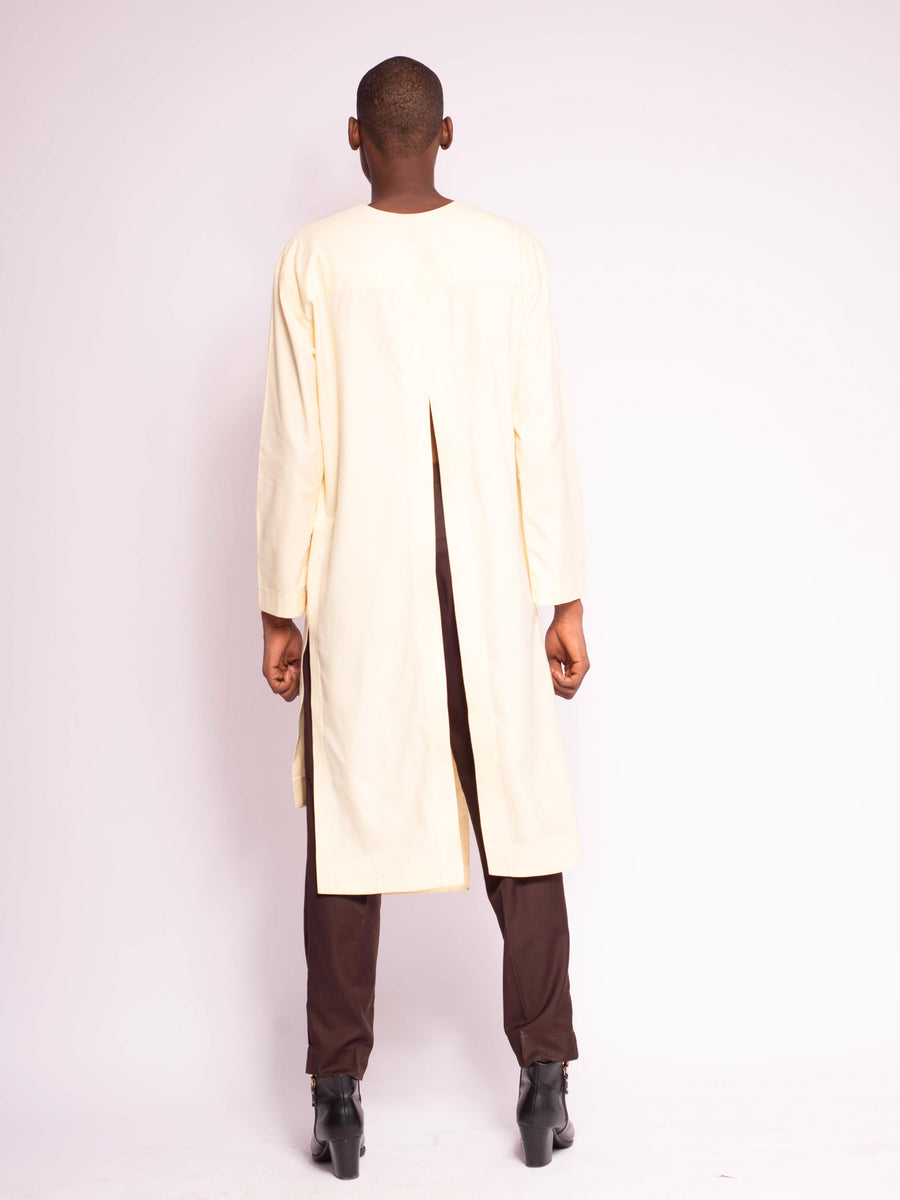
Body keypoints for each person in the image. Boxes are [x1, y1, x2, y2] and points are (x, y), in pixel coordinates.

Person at [256, 55, 590, 1178]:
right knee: (520, 822)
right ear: (447, 133)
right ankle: (546, 1079)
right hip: (488, 586)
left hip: (362, 585)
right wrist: (564, 595)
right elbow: (539, 433)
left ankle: (338, 1099)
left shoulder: (314, 260)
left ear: (357, 136)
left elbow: (295, 449)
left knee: (347, 833)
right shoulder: (509, 253)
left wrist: (282, 605)